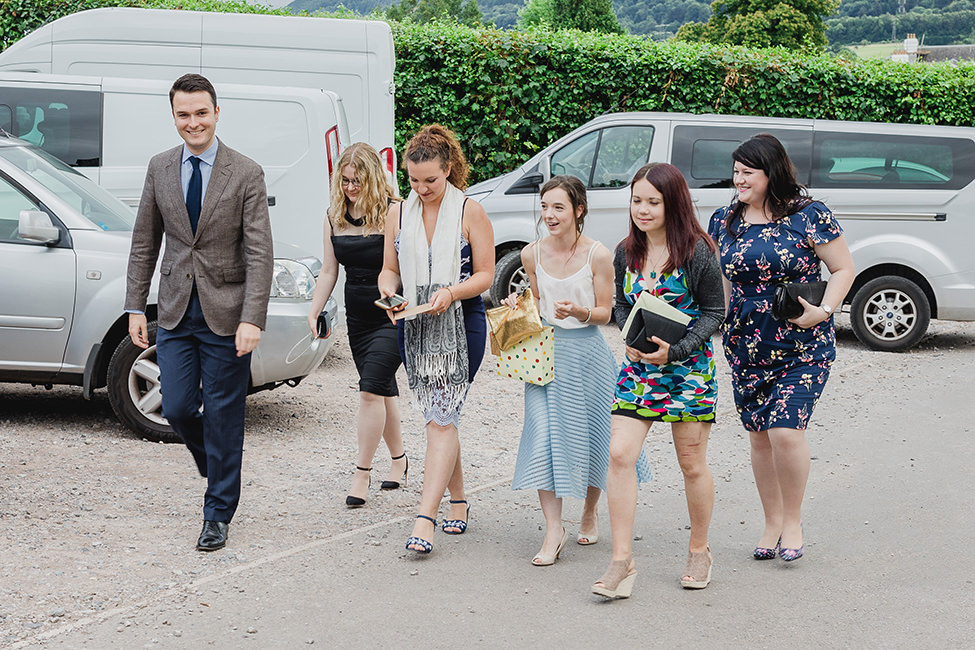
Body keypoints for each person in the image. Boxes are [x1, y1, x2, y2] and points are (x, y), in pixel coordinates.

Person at [125, 73, 273, 551]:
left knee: (226, 413)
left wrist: (252, 318)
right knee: (177, 406)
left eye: (201, 113)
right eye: (183, 115)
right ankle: (221, 460)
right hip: (173, 311)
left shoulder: (245, 172)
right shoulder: (160, 167)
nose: (193, 123)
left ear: (216, 112)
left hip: (228, 315)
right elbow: (144, 241)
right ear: (174, 117)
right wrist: (134, 305)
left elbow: (259, 253)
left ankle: (217, 513)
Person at [707, 134, 854, 563]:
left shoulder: (809, 215)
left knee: (785, 431)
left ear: (771, 172)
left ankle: (793, 520)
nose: (738, 180)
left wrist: (825, 310)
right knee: (759, 438)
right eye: (735, 172)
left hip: (802, 341)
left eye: (747, 173)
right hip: (746, 344)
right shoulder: (724, 219)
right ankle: (771, 521)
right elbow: (724, 280)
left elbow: (844, 268)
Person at [593, 163, 723, 598]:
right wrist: (628, 339)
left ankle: (700, 548)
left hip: (688, 372)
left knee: (691, 464)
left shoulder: (697, 251)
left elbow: (714, 312)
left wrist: (679, 350)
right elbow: (619, 306)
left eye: (653, 201)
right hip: (639, 370)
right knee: (619, 454)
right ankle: (622, 561)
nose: (642, 210)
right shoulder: (624, 251)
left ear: (673, 203)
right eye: (636, 200)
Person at [378, 124, 494, 554]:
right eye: (413, 180)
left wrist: (452, 292)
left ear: (449, 170)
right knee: (440, 415)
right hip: (415, 322)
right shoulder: (398, 212)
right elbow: (389, 269)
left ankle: (424, 518)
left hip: (462, 322)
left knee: (440, 419)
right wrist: (389, 292)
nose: (422, 188)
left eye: (431, 180)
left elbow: (485, 274)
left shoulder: (470, 211)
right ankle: (459, 501)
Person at [504, 175, 624, 566]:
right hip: (545, 356)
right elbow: (535, 300)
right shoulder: (530, 254)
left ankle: (589, 511)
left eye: (558, 207)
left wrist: (581, 311)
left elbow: (608, 312)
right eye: (544, 207)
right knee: (541, 436)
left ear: (579, 210)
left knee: (592, 437)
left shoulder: (598, 255)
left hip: (588, 355)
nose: (549, 215)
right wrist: (517, 304)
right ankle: (554, 529)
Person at [307, 142, 407, 508]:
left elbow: (396, 267)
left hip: (392, 312)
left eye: (357, 181)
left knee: (369, 390)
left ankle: (361, 473)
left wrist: (394, 293)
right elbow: (330, 270)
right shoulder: (334, 215)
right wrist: (315, 310)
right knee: (380, 389)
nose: (351, 188)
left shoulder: (395, 210)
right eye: (346, 181)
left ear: (374, 178)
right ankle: (400, 462)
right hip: (358, 316)